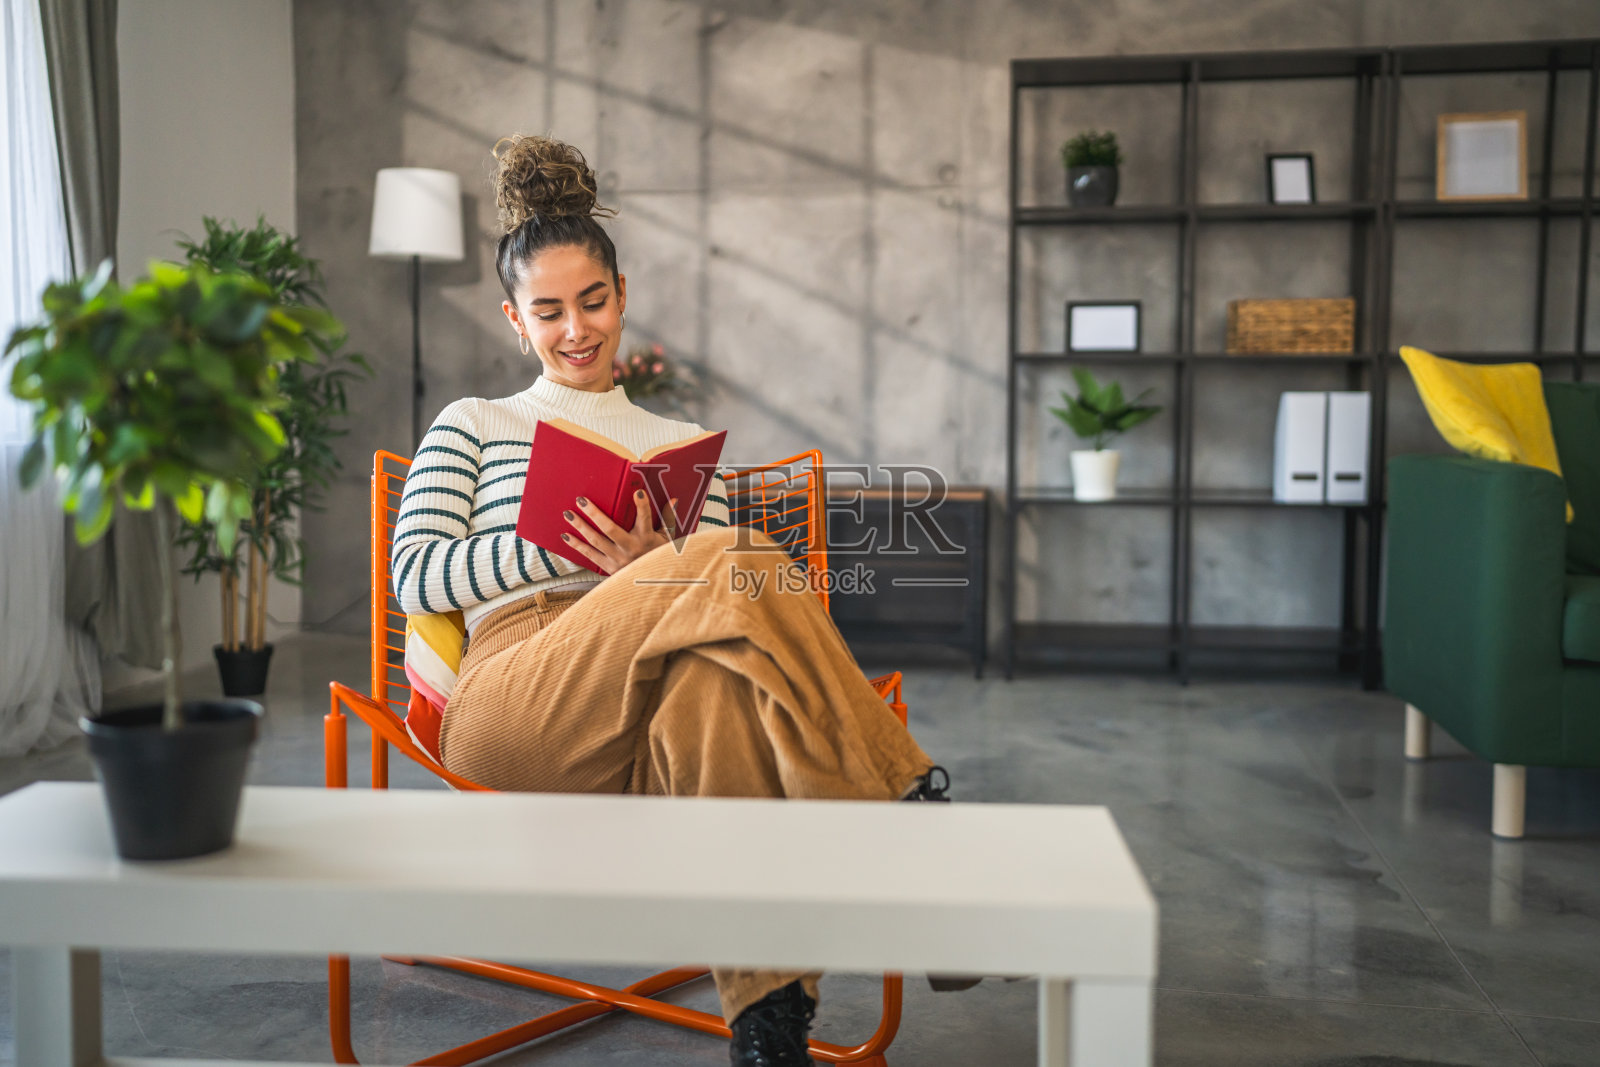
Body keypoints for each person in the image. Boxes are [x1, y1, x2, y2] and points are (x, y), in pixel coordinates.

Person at [390, 133, 949, 1067]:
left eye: (595, 301)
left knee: (718, 662)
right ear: (514, 321)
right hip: (515, 698)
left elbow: (737, 604)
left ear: (623, 296)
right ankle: (910, 816)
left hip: (651, 712)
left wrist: (652, 565)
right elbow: (416, 576)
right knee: (732, 553)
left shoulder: (680, 440)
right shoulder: (476, 423)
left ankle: (768, 1029)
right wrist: (546, 543)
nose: (578, 329)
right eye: (550, 310)